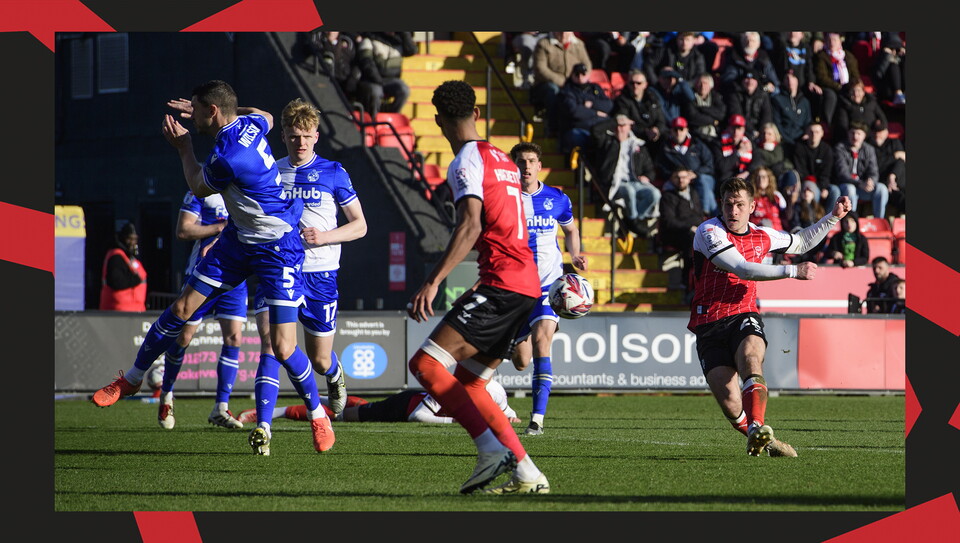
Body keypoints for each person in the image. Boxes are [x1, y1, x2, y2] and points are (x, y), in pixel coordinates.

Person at [92, 80, 333, 457]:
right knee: (182, 310)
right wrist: (217, 112)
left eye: (197, 108)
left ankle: (319, 415)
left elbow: (198, 185)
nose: (191, 115)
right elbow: (265, 115)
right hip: (239, 239)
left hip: (277, 246)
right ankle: (134, 379)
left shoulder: (229, 156)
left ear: (212, 112)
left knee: (284, 348)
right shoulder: (250, 125)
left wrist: (184, 146)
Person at [405, 80, 549, 494]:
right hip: (524, 283)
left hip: (504, 281)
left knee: (426, 365)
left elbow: (470, 225)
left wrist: (433, 281)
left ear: (438, 121)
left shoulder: (466, 160)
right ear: (477, 114)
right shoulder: (502, 158)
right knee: (471, 382)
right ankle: (527, 473)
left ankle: (490, 451)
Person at [689, 176, 853, 457]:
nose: (733, 211)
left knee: (752, 357)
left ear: (752, 206)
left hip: (743, 312)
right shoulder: (708, 232)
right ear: (721, 205)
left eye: (740, 205)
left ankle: (757, 427)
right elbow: (742, 268)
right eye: (728, 205)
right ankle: (761, 436)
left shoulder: (763, 235)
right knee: (730, 402)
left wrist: (832, 218)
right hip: (709, 321)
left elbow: (800, 242)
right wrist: (792, 271)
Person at [249, 97, 368, 449]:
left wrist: (325, 237)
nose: (300, 142)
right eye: (293, 135)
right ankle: (264, 429)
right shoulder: (271, 170)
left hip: (321, 275)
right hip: (277, 268)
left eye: (306, 135)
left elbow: (360, 226)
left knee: (318, 360)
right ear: (283, 136)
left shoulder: (334, 172)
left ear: (316, 136)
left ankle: (334, 373)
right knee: (271, 345)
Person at [509, 141, 587, 436]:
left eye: (530, 161)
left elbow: (570, 229)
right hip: (516, 287)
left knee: (543, 342)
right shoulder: (508, 199)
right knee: (521, 361)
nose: (526, 166)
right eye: (521, 161)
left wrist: (575, 254)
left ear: (539, 165)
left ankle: (536, 420)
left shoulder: (557, 198)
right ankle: (514, 340)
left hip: (547, 285)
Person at [156, 191, 247, 430]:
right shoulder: (203, 189)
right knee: (184, 337)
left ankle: (220, 407)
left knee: (234, 337)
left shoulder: (246, 188)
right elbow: (184, 230)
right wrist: (220, 228)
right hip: (202, 274)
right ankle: (166, 394)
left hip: (236, 277)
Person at [238, 379, 521, 425]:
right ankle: (276, 411)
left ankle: (315, 397)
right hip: (404, 408)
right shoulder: (450, 385)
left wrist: (511, 417)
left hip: (409, 402)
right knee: (345, 416)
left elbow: (506, 410)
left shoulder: (494, 389)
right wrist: (460, 421)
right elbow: (418, 417)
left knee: (357, 405)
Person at [593, 114, 660, 236]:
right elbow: (595, 130)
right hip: (614, 182)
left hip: (635, 181)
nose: (620, 128)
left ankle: (631, 220)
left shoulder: (638, 144)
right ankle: (633, 222)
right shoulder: (607, 141)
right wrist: (614, 121)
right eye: (618, 125)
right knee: (629, 191)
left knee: (655, 194)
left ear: (630, 127)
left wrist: (647, 176)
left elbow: (649, 168)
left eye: (623, 125)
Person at [530, 32, 591, 133]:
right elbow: (541, 69)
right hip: (547, 84)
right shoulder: (544, 44)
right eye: (560, 32)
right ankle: (552, 128)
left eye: (566, 32)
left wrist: (579, 78)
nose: (563, 35)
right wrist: (562, 81)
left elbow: (587, 65)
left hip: (573, 83)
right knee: (553, 91)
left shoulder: (579, 44)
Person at [655, 116, 717, 215]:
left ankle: (705, 213)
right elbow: (661, 167)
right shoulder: (665, 147)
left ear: (686, 130)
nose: (678, 132)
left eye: (681, 129)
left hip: (701, 177)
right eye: (675, 129)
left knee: (703, 183)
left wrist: (695, 173)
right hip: (678, 179)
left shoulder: (697, 144)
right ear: (671, 131)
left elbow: (709, 165)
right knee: (668, 188)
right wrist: (674, 175)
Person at [657, 168, 705, 293]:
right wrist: (689, 227)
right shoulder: (667, 197)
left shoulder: (694, 194)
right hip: (674, 234)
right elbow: (669, 222)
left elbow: (700, 214)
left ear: (689, 179)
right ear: (672, 179)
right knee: (691, 240)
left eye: (684, 177)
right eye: (677, 177)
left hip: (695, 231)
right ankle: (687, 280)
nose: (681, 180)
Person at [355, 32, 417, 119]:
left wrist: (404, 33)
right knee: (375, 92)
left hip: (391, 79)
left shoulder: (398, 42)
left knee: (404, 90)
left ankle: (390, 116)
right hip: (372, 79)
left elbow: (412, 50)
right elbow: (366, 62)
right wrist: (377, 79)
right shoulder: (369, 39)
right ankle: (373, 120)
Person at [556, 62, 613, 154]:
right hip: (579, 128)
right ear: (572, 75)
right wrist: (596, 112)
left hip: (600, 127)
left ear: (588, 75)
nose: (580, 76)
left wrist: (592, 104)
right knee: (576, 137)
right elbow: (574, 111)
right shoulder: (567, 91)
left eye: (583, 73)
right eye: (577, 74)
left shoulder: (595, 88)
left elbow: (608, 105)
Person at [834, 121, 886, 218]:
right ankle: (850, 222)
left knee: (881, 188)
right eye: (852, 133)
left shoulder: (869, 149)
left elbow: (874, 171)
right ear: (848, 134)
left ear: (864, 136)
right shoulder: (840, 148)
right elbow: (842, 173)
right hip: (846, 186)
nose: (855, 136)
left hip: (863, 187)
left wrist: (871, 181)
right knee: (850, 189)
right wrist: (859, 183)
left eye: (859, 134)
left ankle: (879, 221)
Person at [610, 69, 667, 150]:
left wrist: (657, 130)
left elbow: (661, 120)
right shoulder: (622, 100)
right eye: (632, 83)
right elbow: (625, 121)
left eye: (638, 83)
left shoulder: (652, 99)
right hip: (635, 137)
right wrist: (645, 131)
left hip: (654, 136)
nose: (635, 86)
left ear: (645, 84)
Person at [813, 32, 861, 126]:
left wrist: (850, 86)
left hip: (847, 86)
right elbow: (822, 77)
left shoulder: (848, 56)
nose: (832, 43)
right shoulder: (821, 56)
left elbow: (855, 75)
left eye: (834, 40)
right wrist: (838, 86)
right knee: (831, 96)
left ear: (840, 42)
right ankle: (827, 124)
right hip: (831, 87)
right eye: (829, 40)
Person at [99, 221, 147, 311]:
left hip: (133, 309)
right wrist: (136, 279)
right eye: (129, 239)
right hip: (120, 310)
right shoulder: (116, 257)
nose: (132, 242)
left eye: (134, 239)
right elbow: (116, 281)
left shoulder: (128, 257)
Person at [792, 122, 837, 208]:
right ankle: (813, 218)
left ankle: (830, 219)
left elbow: (826, 172)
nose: (814, 135)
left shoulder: (827, 150)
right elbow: (801, 170)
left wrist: (823, 187)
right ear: (807, 133)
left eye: (817, 132)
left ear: (822, 133)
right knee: (812, 190)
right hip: (806, 181)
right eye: (811, 132)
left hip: (822, 182)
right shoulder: (800, 148)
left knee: (835, 191)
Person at [783, 180, 828, 263]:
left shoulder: (819, 209)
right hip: (803, 237)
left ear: (813, 193)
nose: (807, 192)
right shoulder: (797, 207)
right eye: (804, 190)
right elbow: (795, 224)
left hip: (816, 240)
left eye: (809, 190)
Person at [723, 71, 772, 142]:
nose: (749, 82)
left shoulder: (763, 95)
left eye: (753, 79)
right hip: (741, 130)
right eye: (747, 79)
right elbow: (737, 114)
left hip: (760, 132)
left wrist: (762, 131)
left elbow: (767, 115)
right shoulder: (735, 94)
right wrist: (752, 131)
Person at [770, 71, 813, 151]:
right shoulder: (777, 100)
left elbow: (808, 122)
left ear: (797, 80)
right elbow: (777, 123)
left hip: (801, 142)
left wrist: (806, 135)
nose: (790, 81)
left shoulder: (804, 102)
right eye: (787, 78)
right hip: (784, 140)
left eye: (793, 77)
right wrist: (787, 140)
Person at [872, 121, 906, 217]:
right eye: (875, 131)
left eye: (880, 131)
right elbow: (876, 166)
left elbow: (901, 161)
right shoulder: (869, 146)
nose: (877, 134)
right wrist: (894, 156)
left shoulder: (894, 142)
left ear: (886, 132)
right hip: (883, 183)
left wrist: (892, 175)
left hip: (898, 180)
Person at [682, 73, 726, 143]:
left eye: (705, 83)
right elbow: (693, 117)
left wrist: (702, 109)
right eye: (700, 83)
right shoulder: (690, 98)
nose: (702, 86)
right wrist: (713, 121)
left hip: (714, 135)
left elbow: (721, 114)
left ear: (711, 86)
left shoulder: (716, 97)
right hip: (695, 134)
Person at [712, 113, 753, 183]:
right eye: (733, 128)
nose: (735, 132)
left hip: (745, 178)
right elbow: (722, 166)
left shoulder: (748, 142)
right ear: (728, 128)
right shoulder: (718, 143)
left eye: (739, 128)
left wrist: (747, 172)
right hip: (726, 180)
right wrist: (738, 153)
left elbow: (759, 160)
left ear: (743, 130)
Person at [871, 33, 906, 105]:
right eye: (891, 49)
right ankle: (898, 94)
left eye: (896, 49)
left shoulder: (901, 57)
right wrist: (886, 56)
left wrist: (904, 56)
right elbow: (878, 75)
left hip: (903, 89)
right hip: (888, 89)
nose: (894, 51)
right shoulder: (881, 57)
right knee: (893, 65)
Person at [748, 166, 785, 233]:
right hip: (757, 233)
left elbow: (786, 216)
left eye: (764, 177)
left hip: (777, 233)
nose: (761, 179)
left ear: (769, 179)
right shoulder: (751, 197)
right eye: (758, 177)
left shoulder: (777, 196)